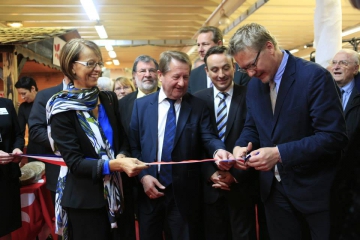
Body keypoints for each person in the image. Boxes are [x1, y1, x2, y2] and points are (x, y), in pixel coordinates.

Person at [229, 23, 347, 239]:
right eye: (244, 69)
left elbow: (333, 137)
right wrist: (240, 146)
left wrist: (279, 153)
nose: (251, 72)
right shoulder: (255, 85)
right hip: (274, 194)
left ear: (269, 47)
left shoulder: (314, 77)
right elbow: (252, 127)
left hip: (314, 192)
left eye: (253, 64)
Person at [46, 38, 148, 240]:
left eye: (99, 63)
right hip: (86, 203)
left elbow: (123, 141)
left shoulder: (108, 99)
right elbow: (74, 162)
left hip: (119, 197)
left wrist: (122, 155)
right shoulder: (60, 108)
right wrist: (115, 165)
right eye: (90, 63)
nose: (98, 69)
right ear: (72, 67)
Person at [129, 50, 234, 240]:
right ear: (161, 75)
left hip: (184, 195)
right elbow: (134, 147)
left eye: (186, 77)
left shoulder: (197, 106)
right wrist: (144, 177)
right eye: (176, 77)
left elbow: (208, 137)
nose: (182, 83)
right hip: (149, 192)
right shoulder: (142, 106)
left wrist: (219, 150)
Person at [194, 46, 256, 240]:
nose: (221, 75)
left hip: (241, 185)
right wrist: (211, 173)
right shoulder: (196, 100)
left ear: (234, 67)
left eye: (225, 68)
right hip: (209, 188)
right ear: (206, 71)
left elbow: (257, 136)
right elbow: (193, 143)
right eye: (214, 69)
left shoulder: (251, 96)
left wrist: (235, 174)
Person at [329, 49, 360, 239]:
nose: (337, 67)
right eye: (334, 63)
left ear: (356, 69)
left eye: (343, 63)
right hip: (327, 169)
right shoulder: (323, 92)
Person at [187, 26, 250, 94]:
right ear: (207, 71)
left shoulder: (242, 72)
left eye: (205, 44)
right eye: (198, 45)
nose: (200, 49)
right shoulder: (193, 75)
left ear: (219, 44)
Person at [0, 98, 24, 240]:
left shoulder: (6, 104)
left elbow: (18, 134)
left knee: (6, 225)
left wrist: (17, 149)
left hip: (7, 175)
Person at [118, 55, 159, 137]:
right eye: (142, 71)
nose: (147, 75)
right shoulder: (122, 104)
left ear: (158, 73)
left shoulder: (169, 100)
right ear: (134, 75)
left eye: (151, 70)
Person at [15, 76, 39, 165]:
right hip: (33, 150)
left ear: (33, 88)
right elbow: (19, 132)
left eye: (24, 93)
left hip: (52, 149)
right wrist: (18, 148)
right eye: (20, 94)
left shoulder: (47, 102)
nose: (22, 97)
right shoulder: (23, 107)